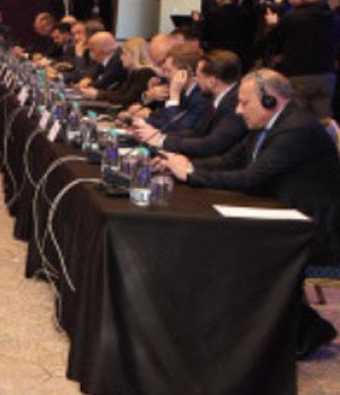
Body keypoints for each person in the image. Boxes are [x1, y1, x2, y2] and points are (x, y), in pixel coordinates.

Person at [156, 69, 340, 359]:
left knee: (234, 249)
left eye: (245, 103)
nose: (238, 111)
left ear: (270, 100)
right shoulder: (265, 124)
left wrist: (191, 175)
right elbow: (230, 161)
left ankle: (304, 329)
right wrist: (184, 164)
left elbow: (251, 178)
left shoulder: (296, 129)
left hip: (312, 229)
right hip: (279, 214)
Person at [133, 49, 246, 158]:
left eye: (199, 76)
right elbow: (196, 132)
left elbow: (210, 144)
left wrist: (162, 140)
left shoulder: (232, 104)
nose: (196, 80)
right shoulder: (217, 98)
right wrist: (158, 136)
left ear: (212, 82)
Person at [265, 0, 339, 119]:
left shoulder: (293, 18)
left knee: (297, 119)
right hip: (327, 75)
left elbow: (275, 44)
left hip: (298, 75)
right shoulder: (334, 18)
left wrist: (273, 26)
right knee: (324, 120)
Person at [144, 43, 209, 134]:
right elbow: (164, 120)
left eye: (168, 70)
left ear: (185, 72)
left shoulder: (201, 97)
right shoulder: (183, 91)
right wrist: (140, 121)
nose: (165, 75)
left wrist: (174, 95)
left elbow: (177, 129)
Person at [79, 37, 155, 106]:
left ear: (134, 55)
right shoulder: (134, 72)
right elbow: (120, 93)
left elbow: (126, 98)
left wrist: (98, 94)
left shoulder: (144, 73)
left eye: (124, 54)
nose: (121, 58)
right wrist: (98, 94)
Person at [200, 0, 255, 70]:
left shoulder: (214, 14)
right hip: (241, 59)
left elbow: (205, 35)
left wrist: (198, 22)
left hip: (219, 59)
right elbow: (251, 37)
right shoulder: (246, 14)